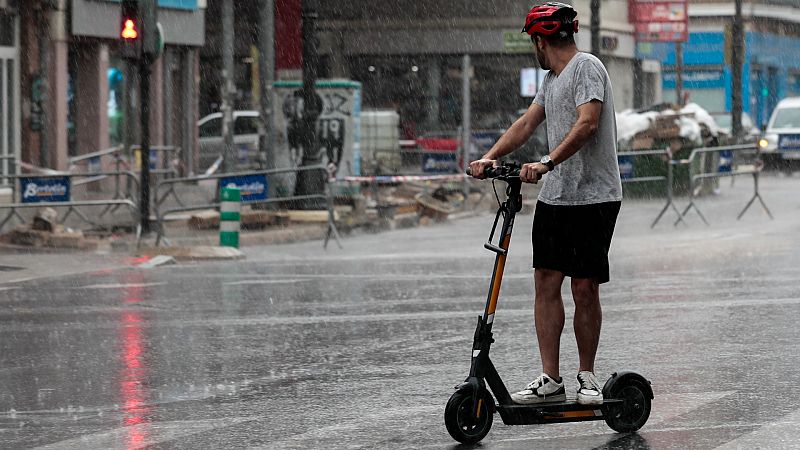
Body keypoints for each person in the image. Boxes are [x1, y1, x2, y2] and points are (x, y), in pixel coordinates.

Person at [468, 2, 623, 406]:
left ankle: (587, 377)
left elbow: (587, 123)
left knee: (584, 286)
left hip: (594, 195)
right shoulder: (552, 79)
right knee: (546, 281)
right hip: (557, 196)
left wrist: (547, 162)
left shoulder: (586, 67)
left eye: (532, 42)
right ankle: (550, 379)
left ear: (541, 40)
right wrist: (491, 157)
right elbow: (527, 123)